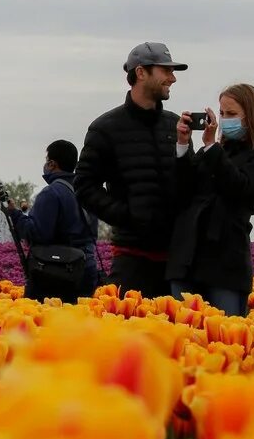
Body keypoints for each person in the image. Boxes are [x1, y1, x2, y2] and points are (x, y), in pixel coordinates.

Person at [75, 41, 190, 298]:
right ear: (141, 73)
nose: (172, 78)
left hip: (178, 259)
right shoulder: (106, 128)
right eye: (166, 71)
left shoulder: (175, 126)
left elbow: (189, 182)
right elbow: (84, 185)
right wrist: (127, 215)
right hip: (133, 258)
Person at [167, 84, 254, 316]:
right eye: (221, 113)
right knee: (183, 339)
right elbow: (183, 191)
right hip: (188, 258)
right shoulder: (213, 152)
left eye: (231, 114)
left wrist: (211, 148)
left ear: (251, 116)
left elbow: (241, 188)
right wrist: (182, 145)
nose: (223, 119)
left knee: (226, 339)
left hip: (225, 262)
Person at [4, 140, 99, 302]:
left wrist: (14, 214)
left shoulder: (51, 193)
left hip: (57, 273)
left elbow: (38, 234)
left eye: (47, 160)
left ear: (52, 164)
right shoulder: (84, 191)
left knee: (45, 324)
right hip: (86, 268)